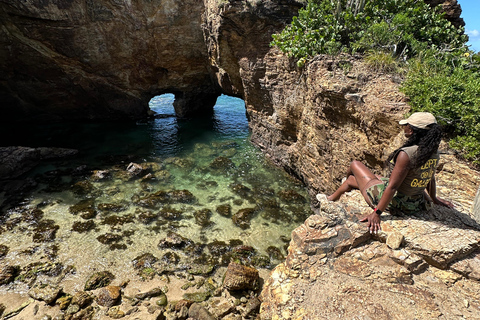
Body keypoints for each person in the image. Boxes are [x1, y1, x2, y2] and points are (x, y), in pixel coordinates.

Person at [318, 112, 454, 234]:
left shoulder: (407, 154)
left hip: (397, 203)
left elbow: (393, 187)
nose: (404, 127)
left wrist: (376, 213)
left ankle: (333, 197)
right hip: (416, 202)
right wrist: (434, 198)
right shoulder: (432, 151)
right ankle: (334, 195)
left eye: (406, 125)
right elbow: (430, 176)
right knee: (369, 178)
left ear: (411, 130)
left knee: (355, 165)